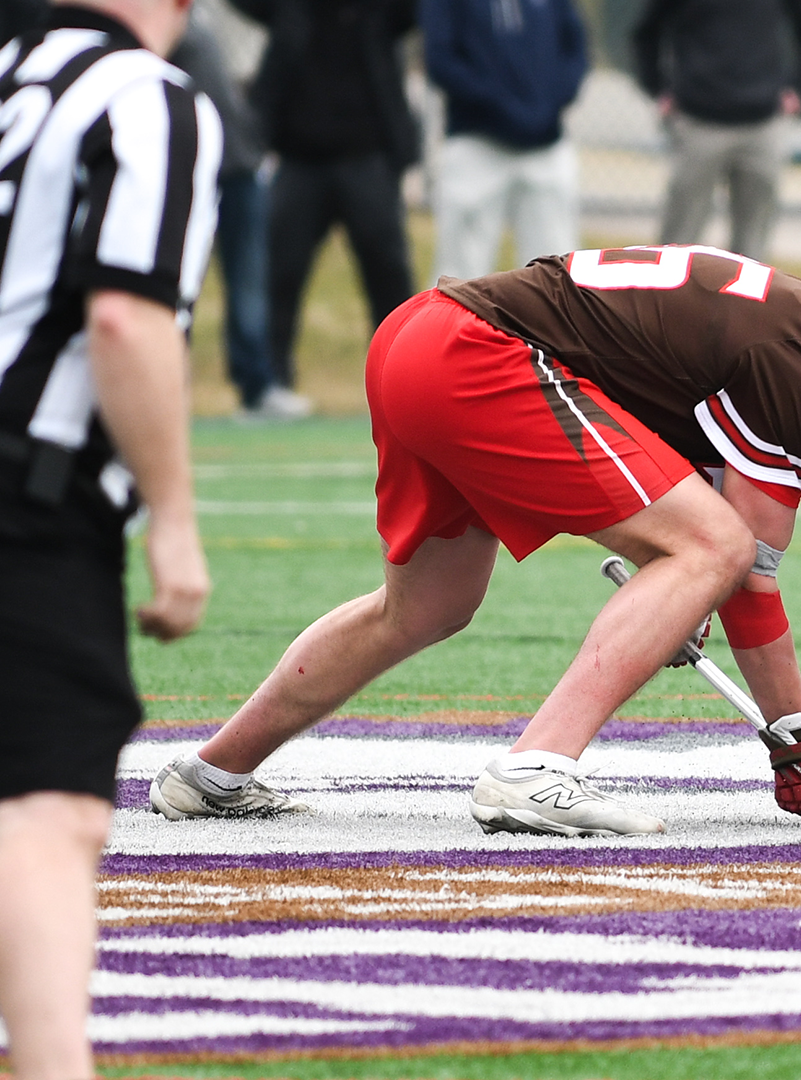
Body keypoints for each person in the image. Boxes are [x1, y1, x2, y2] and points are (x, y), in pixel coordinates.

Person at [149, 245, 801, 836]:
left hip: (424, 338)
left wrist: (672, 599)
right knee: (714, 550)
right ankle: (538, 765)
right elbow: (743, 568)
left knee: (425, 606)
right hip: (475, 352)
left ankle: (211, 772)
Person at [0, 0, 216, 1074]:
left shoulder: (12, 74)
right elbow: (125, 314)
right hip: (28, 495)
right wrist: (171, 517)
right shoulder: (142, 97)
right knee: (50, 807)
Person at [233, 0, 419, 394]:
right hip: (299, 157)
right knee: (279, 272)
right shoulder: (291, 9)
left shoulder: (378, 11)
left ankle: (405, 381)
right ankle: (269, 385)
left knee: (388, 274)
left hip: (368, 154)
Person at [170, 16, 311, 420]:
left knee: (248, 284)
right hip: (191, 172)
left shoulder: (193, 28)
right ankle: (168, 384)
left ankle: (256, 386)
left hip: (237, 170)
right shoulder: (161, 30)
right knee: (173, 284)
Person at [633, 0, 801, 263]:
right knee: (677, 244)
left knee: (752, 252)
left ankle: (745, 293)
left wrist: (800, 89)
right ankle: (670, 291)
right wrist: (657, 87)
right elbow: (646, 32)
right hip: (697, 121)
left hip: (763, 123)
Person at [423, 0, 588, 282]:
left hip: (546, 146)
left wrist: (547, 106)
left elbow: (575, 48)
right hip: (476, 143)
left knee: (556, 275)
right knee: (460, 275)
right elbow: (441, 59)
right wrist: (500, 107)